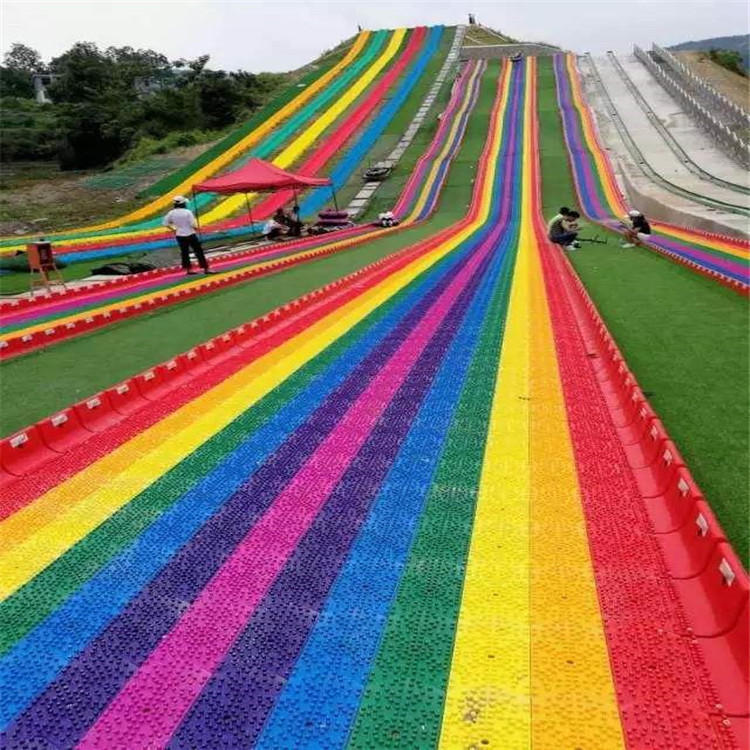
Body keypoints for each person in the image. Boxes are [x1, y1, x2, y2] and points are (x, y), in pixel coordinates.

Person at [162, 196, 213, 275]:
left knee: (184, 252)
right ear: (183, 203)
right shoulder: (187, 212)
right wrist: (197, 228)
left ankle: (189, 270)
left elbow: (165, 223)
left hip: (180, 234)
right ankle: (206, 268)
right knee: (198, 251)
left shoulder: (171, 213)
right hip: (190, 233)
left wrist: (174, 229)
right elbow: (193, 224)